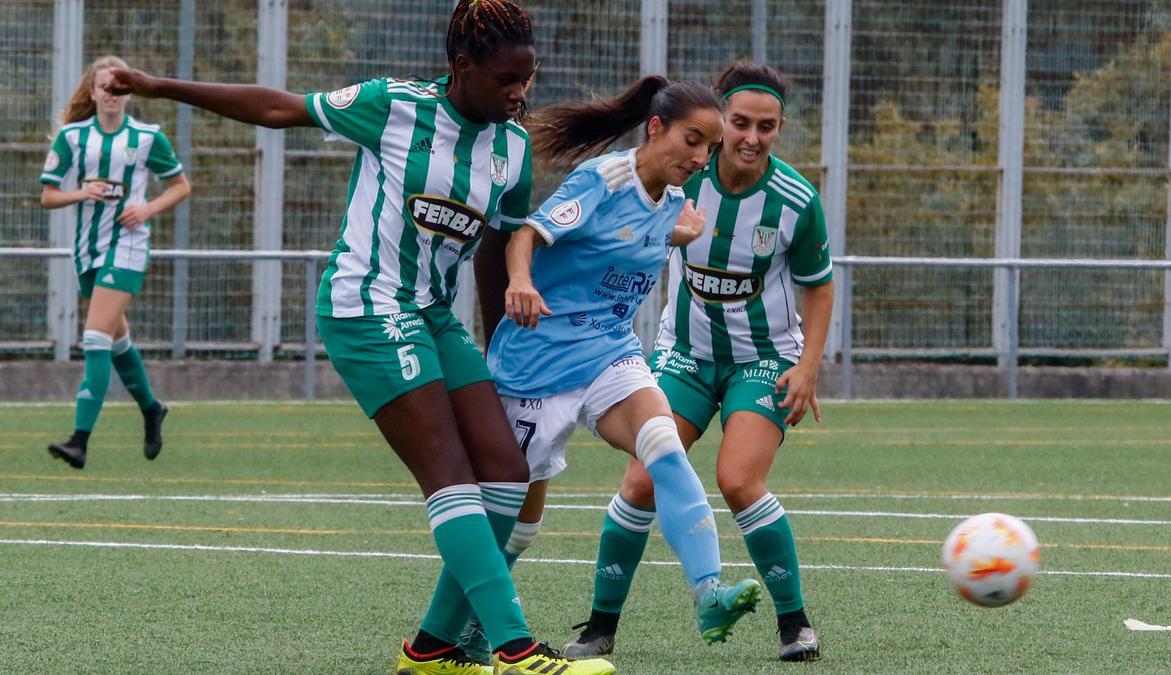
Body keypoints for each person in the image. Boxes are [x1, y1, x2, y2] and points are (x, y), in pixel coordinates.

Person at [103, 3, 614, 674]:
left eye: (528, 76)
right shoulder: (391, 106)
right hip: (367, 305)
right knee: (450, 473)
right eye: (505, 79)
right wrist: (157, 84)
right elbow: (280, 108)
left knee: (507, 471)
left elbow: (496, 250)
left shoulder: (511, 149)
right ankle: (514, 648)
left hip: (434, 314)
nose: (520, 92)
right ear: (462, 68)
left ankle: (431, 649)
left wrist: (499, 351)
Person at [483, 61, 834, 664]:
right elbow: (540, 233)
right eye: (734, 127)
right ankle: (518, 626)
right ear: (669, 128)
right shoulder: (639, 181)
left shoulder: (786, 199)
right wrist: (521, 280)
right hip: (613, 360)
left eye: (765, 127)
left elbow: (818, 284)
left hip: (729, 356)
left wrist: (808, 366)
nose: (745, 139)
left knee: (711, 468)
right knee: (526, 515)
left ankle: (753, 609)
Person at [42, 55, 191, 470]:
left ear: (129, 93)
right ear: (91, 92)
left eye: (119, 87)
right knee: (116, 338)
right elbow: (48, 196)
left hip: (127, 246)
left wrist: (145, 210)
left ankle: (79, 440)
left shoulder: (146, 138)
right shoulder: (73, 138)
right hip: (87, 249)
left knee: (94, 338)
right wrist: (80, 193)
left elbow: (181, 187)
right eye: (104, 87)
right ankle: (151, 408)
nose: (110, 94)